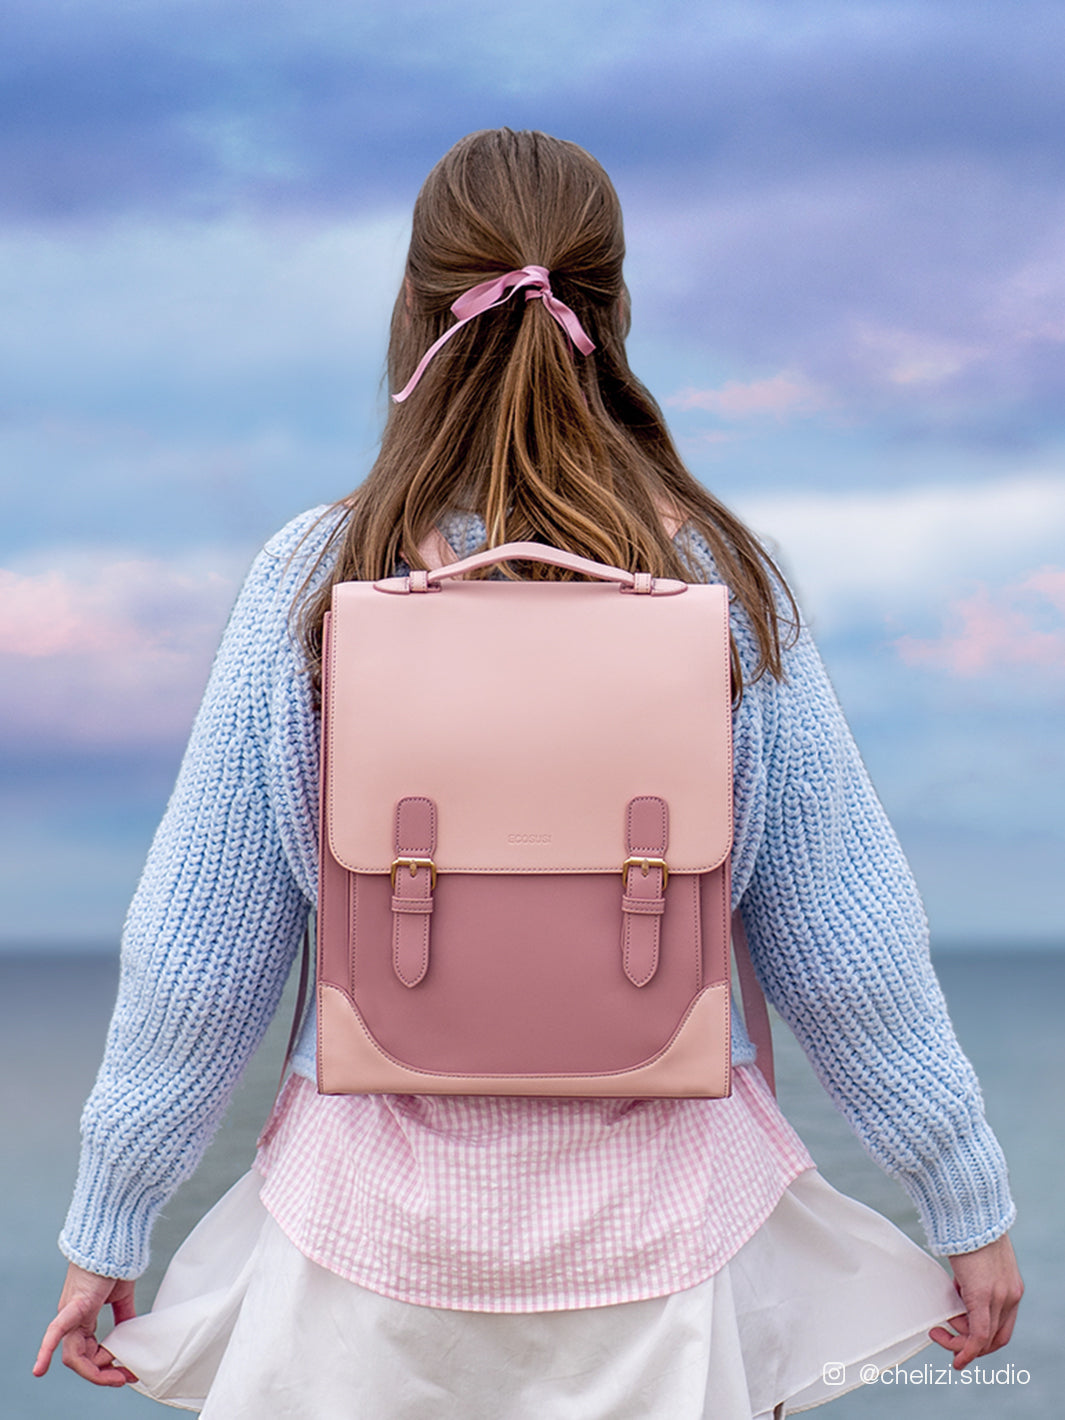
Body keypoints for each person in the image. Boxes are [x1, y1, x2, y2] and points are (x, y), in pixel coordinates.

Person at [35, 128, 1022, 1418]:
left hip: (365, 1253)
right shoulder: (722, 583)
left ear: (411, 309)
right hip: (663, 1256)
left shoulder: (312, 582)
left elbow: (201, 943)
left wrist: (110, 1219)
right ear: (610, 317)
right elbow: (845, 932)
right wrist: (964, 1196)